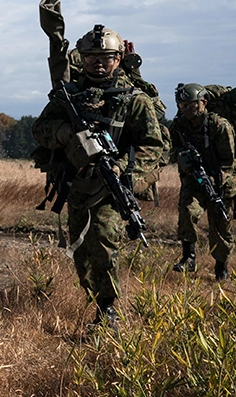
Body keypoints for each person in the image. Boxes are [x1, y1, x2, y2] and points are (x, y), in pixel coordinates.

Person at [31, 25, 165, 326]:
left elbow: (151, 144)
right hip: (76, 183)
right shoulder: (69, 94)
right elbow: (40, 129)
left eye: (106, 57)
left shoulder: (134, 99)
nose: (98, 63)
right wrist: (64, 132)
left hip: (110, 184)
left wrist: (122, 169)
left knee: (104, 241)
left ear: (118, 59)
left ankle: (107, 308)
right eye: (91, 57)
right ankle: (94, 296)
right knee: (80, 249)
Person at [169, 83, 236, 280]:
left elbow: (229, 162)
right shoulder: (178, 126)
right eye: (182, 106)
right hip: (193, 179)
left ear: (203, 102)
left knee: (220, 225)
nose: (187, 110)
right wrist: (181, 156)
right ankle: (188, 257)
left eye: (191, 105)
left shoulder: (219, 126)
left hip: (219, 183)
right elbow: (170, 151)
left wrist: (216, 179)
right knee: (187, 211)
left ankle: (221, 267)